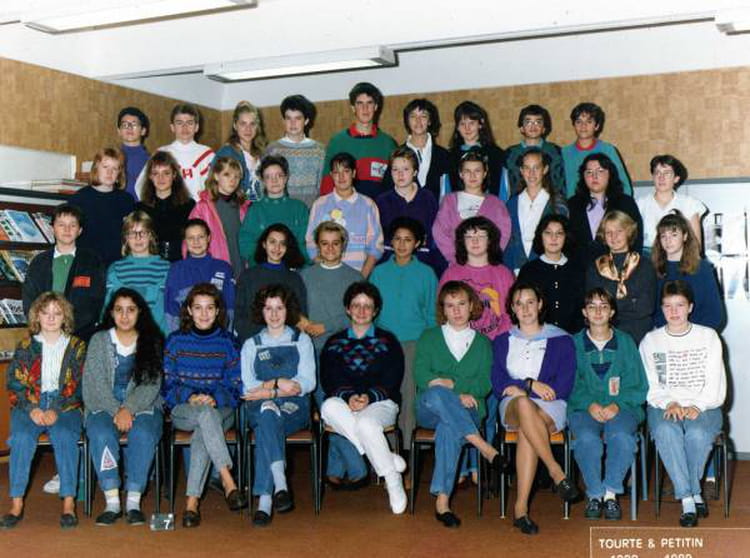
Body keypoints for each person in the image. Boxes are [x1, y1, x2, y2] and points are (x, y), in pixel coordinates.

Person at [491, 282, 579, 535]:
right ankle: (556, 471)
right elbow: (498, 383)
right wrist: (529, 385)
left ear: (540, 305)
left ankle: (520, 510)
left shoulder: (561, 339)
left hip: (551, 406)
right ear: (512, 308)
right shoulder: (502, 340)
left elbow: (563, 385)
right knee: (522, 404)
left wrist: (522, 388)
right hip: (513, 405)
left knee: (527, 430)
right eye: (519, 304)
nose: (525, 309)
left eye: (530, 302)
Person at [641, 280, 726, 528]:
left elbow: (716, 382)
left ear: (690, 307)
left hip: (705, 405)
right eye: (668, 306)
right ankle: (690, 498)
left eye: (679, 305)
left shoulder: (708, 337)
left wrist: (697, 406)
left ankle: (689, 493)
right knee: (666, 431)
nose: (674, 312)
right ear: (662, 309)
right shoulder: (651, 341)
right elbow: (650, 383)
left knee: (698, 434)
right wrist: (669, 402)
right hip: (664, 405)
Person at [414, 281, 499, 527]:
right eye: (450, 305)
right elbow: (421, 375)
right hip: (430, 408)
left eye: (461, 304)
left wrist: (452, 385)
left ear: (472, 305)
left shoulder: (483, 344)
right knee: (436, 394)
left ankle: (442, 502)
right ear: (443, 309)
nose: (457, 310)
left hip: (469, 411)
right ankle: (483, 446)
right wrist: (458, 393)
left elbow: (485, 383)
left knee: (448, 427)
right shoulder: (429, 337)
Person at [162, 283, 246, 528]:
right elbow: (167, 384)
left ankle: (191, 504)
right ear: (189, 310)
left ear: (218, 311)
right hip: (184, 408)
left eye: (210, 308)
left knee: (206, 422)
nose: (204, 313)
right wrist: (190, 396)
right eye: (198, 308)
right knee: (204, 416)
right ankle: (228, 481)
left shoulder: (229, 342)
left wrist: (214, 398)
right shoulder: (175, 341)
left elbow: (237, 384)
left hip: (221, 409)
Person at [320, 282, 407, 514]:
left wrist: (369, 397)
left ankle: (392, 481)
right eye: (356, 305)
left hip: (381, 403)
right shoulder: (334, 342)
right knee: (328, 406)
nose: (361, 311)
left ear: (375, 311)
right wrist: (349, 397)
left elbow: (393, 379)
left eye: (367, 306)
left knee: (367, 423)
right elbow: (329, 378)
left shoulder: (388, 341)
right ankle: (387, 460)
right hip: (345, 403)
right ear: (347, 309)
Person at [1, 292, 85, 530]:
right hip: (30, 404)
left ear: (65, 317)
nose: (51, 318)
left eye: (57, 313)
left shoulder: (77, 346)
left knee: (65, 436)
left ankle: (68, 503)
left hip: (65, 405)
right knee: (21, 438)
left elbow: (79, 385)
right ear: (37, 315)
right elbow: (14, 383)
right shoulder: (26, 346)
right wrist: (32, 409)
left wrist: (56, 408)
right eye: (45, 313)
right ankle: (16, 504)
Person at [83, 288, 164, 526]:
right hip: (103, 403)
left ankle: (133, 502)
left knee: (144, 433)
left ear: (140, 312)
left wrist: (128, 408)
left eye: (131, 310)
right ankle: (112, 502)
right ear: (111, 312)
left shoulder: (151, 340)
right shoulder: (99, 340)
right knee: (100, 432)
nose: (125, 316)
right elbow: (94, 384)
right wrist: (116, 410)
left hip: (143, 403)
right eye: (119, 310)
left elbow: (151, 385)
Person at [568, 288, 648, 520]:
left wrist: (618, 405)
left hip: (622, 408)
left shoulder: (626, 343)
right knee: (587, 439)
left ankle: (611, 494)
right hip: (584, 409)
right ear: (584, 312)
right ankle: (595, 494)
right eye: (592, 306)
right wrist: (589, 404)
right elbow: (569, 384)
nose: (598, 311)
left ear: (612, 312)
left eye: (604, 306)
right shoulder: (573, 344)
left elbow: (639, 386)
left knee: (621, 437)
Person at [240, 285, 315, 527]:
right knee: (267, 414)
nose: (274, 314)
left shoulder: (301, 340)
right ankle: (280, 486)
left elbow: (306, 383)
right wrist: (278, 382)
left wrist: (271, 390)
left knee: (267, 421)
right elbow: (248, 388)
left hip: (294, 406)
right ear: (261, 311)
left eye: (279, 308)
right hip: (260, 405)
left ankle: (265, 502)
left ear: (287, 310)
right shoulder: (251, 345)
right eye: (268, 308)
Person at [370, 217, 437, 445]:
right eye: (397, 239)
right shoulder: (379, 273)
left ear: (417, 243)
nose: (401, 244)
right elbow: (372, 311)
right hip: (385, 343)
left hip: (414, 342)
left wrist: (427, 345)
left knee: (408, 395)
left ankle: (406, 448)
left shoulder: (426, 273)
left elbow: (432, 314)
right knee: (384, 395)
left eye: (408, 240)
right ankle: (384, 449)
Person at [23, 203, 106, 342]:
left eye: (73, 225)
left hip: (80, 337)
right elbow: (30, 300)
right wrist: (44, 328)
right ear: (53, 229)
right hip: (44, 335)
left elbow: (96, 302)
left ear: (80, 230)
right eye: (61, 224)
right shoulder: (39, 262)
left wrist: (67, 329)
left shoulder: (92, 261)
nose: (67, 229)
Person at [299, 221, 362, 398]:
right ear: (318, 246)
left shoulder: (355, 278)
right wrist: (301, 320)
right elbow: (294, 306)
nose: (330, 248)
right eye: (324, 243)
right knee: (322, 398)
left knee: (343, 397)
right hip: (312, 347)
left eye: (335, 243)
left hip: (344, 348)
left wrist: (326, 326)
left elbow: (359, 315)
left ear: (343, 245)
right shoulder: (305, 275)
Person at [306, 152, 384, 278]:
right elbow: (311, 243)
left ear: (353, 173)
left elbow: (375, 247)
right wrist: (327, 271)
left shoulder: (368, 205)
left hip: (359, 275)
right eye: (336, 172)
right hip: (327, 276)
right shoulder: (320, 204)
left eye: (346, 171)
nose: (341, 177)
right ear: (331, 175)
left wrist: (361, 278)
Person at [585, 210, 656, 345]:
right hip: (606, 332)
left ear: (628, 232)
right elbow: (594, 308)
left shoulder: (645, 265)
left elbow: (645, 308)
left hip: (639, 333)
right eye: (608, 232)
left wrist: (610, 306)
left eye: (619, 231)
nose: (614, 237)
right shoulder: (595, 268)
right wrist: (631, 301)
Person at [439, 217, 515, 340]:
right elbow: (442, 311)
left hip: (498, 340)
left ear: (490, 240)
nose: (475, 241)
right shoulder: (451, 274)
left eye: (481, 236)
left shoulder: (504, 274)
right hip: (459, 341)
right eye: (469, 237)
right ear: (462, 241)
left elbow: (511, 312)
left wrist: (499, 340)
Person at [320, 83, 397, 200]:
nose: (365, 109)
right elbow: (327, 185)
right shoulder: (337, 142)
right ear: (353, 108)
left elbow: (394, 187)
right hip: (344, 209)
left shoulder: (388, 144)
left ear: (376, 106)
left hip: (379, 209)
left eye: (369, 103)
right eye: (360, 103)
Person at [433, 149, 511, 264]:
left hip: (487, 264)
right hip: (457, 264)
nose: (472, 175)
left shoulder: (496, 204)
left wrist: (486, 258)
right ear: (461, 174)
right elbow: (439, 232)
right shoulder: (449, 201)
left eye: (477, 171)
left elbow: (503, 234)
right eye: (467, 171)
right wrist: (456, 258)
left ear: (484, 173)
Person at [235, 223, 307, 344]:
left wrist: (282, 338)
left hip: (285, 343)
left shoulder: (295, 279)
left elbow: (300, 317)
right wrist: (260, 339)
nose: (277, 248)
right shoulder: (248, 276)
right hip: (254, 342)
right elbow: (239, 316)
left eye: (282, 243)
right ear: (264, 244)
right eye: (272, 242)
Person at [375, 146, 443, 273]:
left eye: (405, 169)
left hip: (423, 263)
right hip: (391, 264)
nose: (400, 174)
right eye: (395, 169)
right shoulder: (382, 201)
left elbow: (435, 237)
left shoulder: (428, 198)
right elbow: (378, 240)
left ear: (415, 172)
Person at [567, 153, 643, 265]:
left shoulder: (625, 203)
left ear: (610, 174)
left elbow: (636, 238)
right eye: (589, 172)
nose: (594, 176)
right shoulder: (572, 204)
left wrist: (631, 266)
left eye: (600, 171)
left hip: (617, 266)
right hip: (579, 268)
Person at [652, 212, 722, 330]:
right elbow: (654, 312)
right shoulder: (654, 269)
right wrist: (672, 332)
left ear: (685, 236)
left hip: (699, 333)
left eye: (674, 235)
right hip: (667, 334)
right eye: (663, 236)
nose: (668, 240)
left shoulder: (702, 268)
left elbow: (715, 313)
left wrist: (692, 333)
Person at [164, 218, 236, 333]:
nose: (196, 242)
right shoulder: (176, 269)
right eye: (191, 238)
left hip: (217, 335)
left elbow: (230, 307)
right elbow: (171, 309)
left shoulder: (224, 268)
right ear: (185, 241)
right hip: (186, 335)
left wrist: (224, 336)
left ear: (208, 238)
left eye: (200, 237)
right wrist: (179, 336)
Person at [104, 210, 171, 333]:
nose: (138, 238)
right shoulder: (115, 269)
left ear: (151, 235)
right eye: (132, 233)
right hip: (123, 336)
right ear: (126, 238)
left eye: (143, 233)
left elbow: (170, 311)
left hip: (157, 336)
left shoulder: (166, 268)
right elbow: (108, 308)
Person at [518, 215, 585, 334]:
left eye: (559, 233)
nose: (554, 238)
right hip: (537, 336)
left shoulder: (578, 269)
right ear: (541, 236)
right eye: (548, 233)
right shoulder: (528, 270)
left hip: (572, 337)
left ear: (566, 237)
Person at [504, 148, 569, 272]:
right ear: (521, 171)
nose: (531, 173)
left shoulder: (558, 205)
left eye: (536, 168)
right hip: (515, 269)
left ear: (545, 169)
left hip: (547, 269)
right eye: (527, 168)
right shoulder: (511, 204)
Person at [238, 154, 309, 265]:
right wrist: (268, 262)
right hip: (262, 268)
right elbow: (245, 243)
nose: (274, 180)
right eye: (268, 177)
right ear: (263, 180)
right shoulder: (255, 209)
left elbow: (307, 243)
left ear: (286, 178)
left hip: (294, 268)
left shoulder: (300, 208)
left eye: (279, 175)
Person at [70, 146, 135, 266]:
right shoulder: (79, 199)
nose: (109, 172)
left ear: (119, 173)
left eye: (114, 168)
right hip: (87, 265)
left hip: (118, 266)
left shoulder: (127, 201)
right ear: (96, 168)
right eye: (105, 167)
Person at [188, 156, 250, 279]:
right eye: (227, 175)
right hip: (212, 271)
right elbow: (189, 242)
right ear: (216, 176)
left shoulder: (244, 207)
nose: (232, 180)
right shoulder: (202, 207)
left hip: (241, 270)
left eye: (236, 177)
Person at [136, 103, 214, 200]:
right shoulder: (161, 153)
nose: (185, 127)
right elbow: (141, 185)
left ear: (196, 127)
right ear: (172, 127)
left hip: (199, 208)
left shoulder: (207, 154)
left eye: (189, 123)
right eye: (179, 123)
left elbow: (216, 188)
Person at [380, 98, 451, 202]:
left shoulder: (444, 155)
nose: (418, 121)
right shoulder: (397, 155)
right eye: (413, 116)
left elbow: (450, 193)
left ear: (430, 121)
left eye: (423, 116)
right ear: (407, 121)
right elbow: (387, 190)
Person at [265, 94, 326, 208]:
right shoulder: (273, 149)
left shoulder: (319, 150)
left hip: (310, 211)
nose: (293, 123)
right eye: (288, 118)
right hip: (281, 210)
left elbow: (322, 186)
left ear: (306, 120)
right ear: (283, 120)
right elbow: (265, 185)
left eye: (298, 118)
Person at [637, 155, 705, 254]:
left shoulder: (689, 204)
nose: (661, 177)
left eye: (667, 173)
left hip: (681, 258)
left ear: (676, 178)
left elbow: (696, 246)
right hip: (647, 258)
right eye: (657, 173)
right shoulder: (640, 204)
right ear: (653, 177)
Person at [136, 150, 196, 261]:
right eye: (156, 173)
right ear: (150, 176)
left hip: (181, 264)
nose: (161, 178)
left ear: (174, 175)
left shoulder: (189, 206)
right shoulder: (140, 208)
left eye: (166, 173)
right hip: (150, 265)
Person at [561, 103, 632, 197]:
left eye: (589, 122)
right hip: (573, 205)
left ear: (597, 126)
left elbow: (625, 187)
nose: (583, 126)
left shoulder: (608, 150)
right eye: (579, 122)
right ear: (574, 125)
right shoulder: (564, 153)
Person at [448, 101, 506, 199]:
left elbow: (503, 191)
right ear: (457, 127)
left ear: (480, 124)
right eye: (462, 124)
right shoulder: (450, 157)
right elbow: (447, 192)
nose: (467, 128)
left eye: (471, 123)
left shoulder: (496, 154)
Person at [504, 104, 565, 197]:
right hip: (518, 202)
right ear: (521, 128)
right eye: (528, 122)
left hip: (551, 202)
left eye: (538, 122)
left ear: (544, 128)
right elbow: (505, 187)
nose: (533, 126)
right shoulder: (510, 154)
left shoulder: (556, 152)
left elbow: (562, 184)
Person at [215, 101, 266, 202]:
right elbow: (214, 186)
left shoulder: (262, 153)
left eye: (252, 124)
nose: (248, 129)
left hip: (260, 208)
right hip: (237, 207)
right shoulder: (227, 152)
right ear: (235, 125)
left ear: (257, 126)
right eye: (243, 124)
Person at [117, 106, 150, 199]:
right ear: (119, 131)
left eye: (134, 124)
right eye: (125, 125)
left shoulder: (151, 161)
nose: (129, 128)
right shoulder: (111, 157)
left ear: (143, 131)